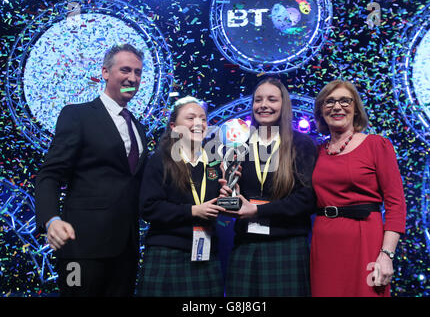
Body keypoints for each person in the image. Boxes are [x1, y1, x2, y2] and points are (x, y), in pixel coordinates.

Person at [34, 44, 148, 296]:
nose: (133, 78)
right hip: (81, 248)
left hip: (126, 251)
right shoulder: (78, 115)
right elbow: (49, 174)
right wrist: (51, 219)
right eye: (125, 70)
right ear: (105, 72)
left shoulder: (139, 129)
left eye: (138, 72)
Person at [220, 78, 317, 296]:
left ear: (284, 105)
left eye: (272, 99)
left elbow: (307, 199)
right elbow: (236, 196)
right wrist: (228, 195)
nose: (264, 105)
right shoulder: (239, 145)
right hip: (246, 244)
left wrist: (257, 210)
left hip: (287, 244)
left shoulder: (301, 144)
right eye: (258, 100)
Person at [310, 79, 407, 297]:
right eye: (329, 102)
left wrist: (386, 255)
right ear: (321, 111)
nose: (337, 107)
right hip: (324, 242)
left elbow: (396, 204)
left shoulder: (376, 145)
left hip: (366, 240)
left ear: (355, 109)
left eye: (345, 101)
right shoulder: (316, 152)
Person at [137, 96, 225, 297]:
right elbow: (148, 207)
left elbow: (219, 206)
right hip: (168, 252)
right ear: (174, 127)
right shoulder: (160, 160)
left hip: (206, 254)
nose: (198, 124)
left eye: (203, 119)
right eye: (191, 118)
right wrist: (193, 210)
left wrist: (228, 193)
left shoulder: (214, 163)